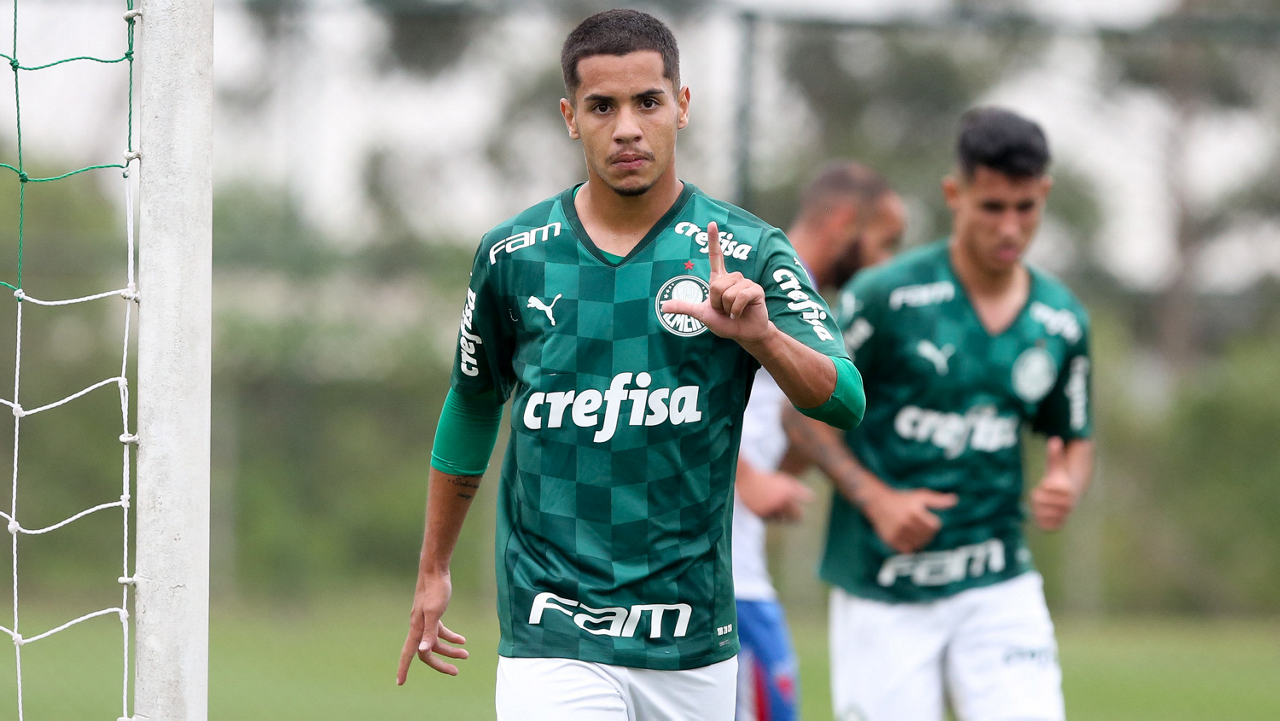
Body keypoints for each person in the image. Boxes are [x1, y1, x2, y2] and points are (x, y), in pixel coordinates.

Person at [395, 10, 865, 720]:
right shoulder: (514, 255)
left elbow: (845, 398)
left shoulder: (750, 250)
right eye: (601, 106)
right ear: (570, 117)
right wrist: (434, 567)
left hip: (691, 640)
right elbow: (472, 400)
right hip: (552, 630)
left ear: (681, 105)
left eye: (647, 102)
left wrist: (763, 339)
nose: (626, 128)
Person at [796, 107, 1094, 721]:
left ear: (1044, 194)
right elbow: (803, 416)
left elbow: (1073, 435)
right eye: (992, 207)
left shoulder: (1061, 320)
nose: (1010, 227)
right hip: (883, 584)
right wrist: (878, 500)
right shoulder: (886, 297)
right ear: (955, 195)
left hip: (997, 582)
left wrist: (1067, 482)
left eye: (1025, 208)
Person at [732, 162, 904, 721]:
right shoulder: (760, 287)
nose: (888, 264)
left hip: (738, 563)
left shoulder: (816, 312)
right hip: (719, 575)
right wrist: (746, 479)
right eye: (885, 243)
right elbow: (671, 391)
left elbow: (784, 419)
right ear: (845, 223)